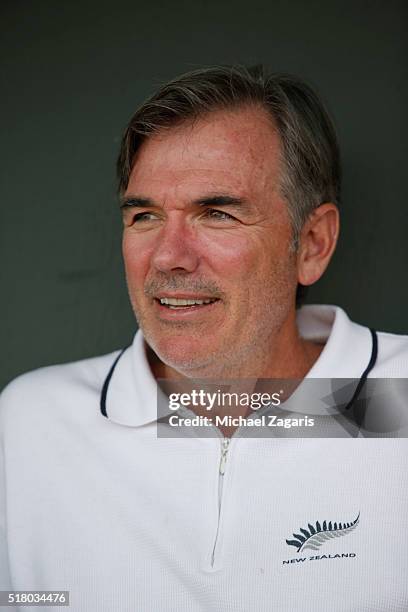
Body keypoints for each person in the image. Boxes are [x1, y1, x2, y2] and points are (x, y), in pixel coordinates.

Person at [1, 65, 407, 611]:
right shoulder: (30, 426)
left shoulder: (399, 397)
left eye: (216, 213)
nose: (168, 257)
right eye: (144, 216)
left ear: (311, 243)